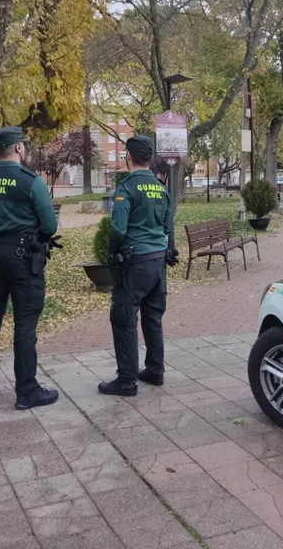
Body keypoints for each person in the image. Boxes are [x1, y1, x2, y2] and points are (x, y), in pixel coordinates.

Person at [0, 126, 61, 410]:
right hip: (23, 257)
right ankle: (27, 391)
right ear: (19, 148)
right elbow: (49, 225)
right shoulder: (30, 181)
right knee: (25, 324)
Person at [98, 135, 179, 396]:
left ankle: (126, 380)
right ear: (150, 159)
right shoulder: (160, 188)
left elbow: (118, 229)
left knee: (124, 319)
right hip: (157, 261)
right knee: (153, 317)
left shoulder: (127, 187)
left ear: (128, 157)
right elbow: (167, 225)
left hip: (135, 263)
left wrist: (111, 252)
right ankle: (155, 370)